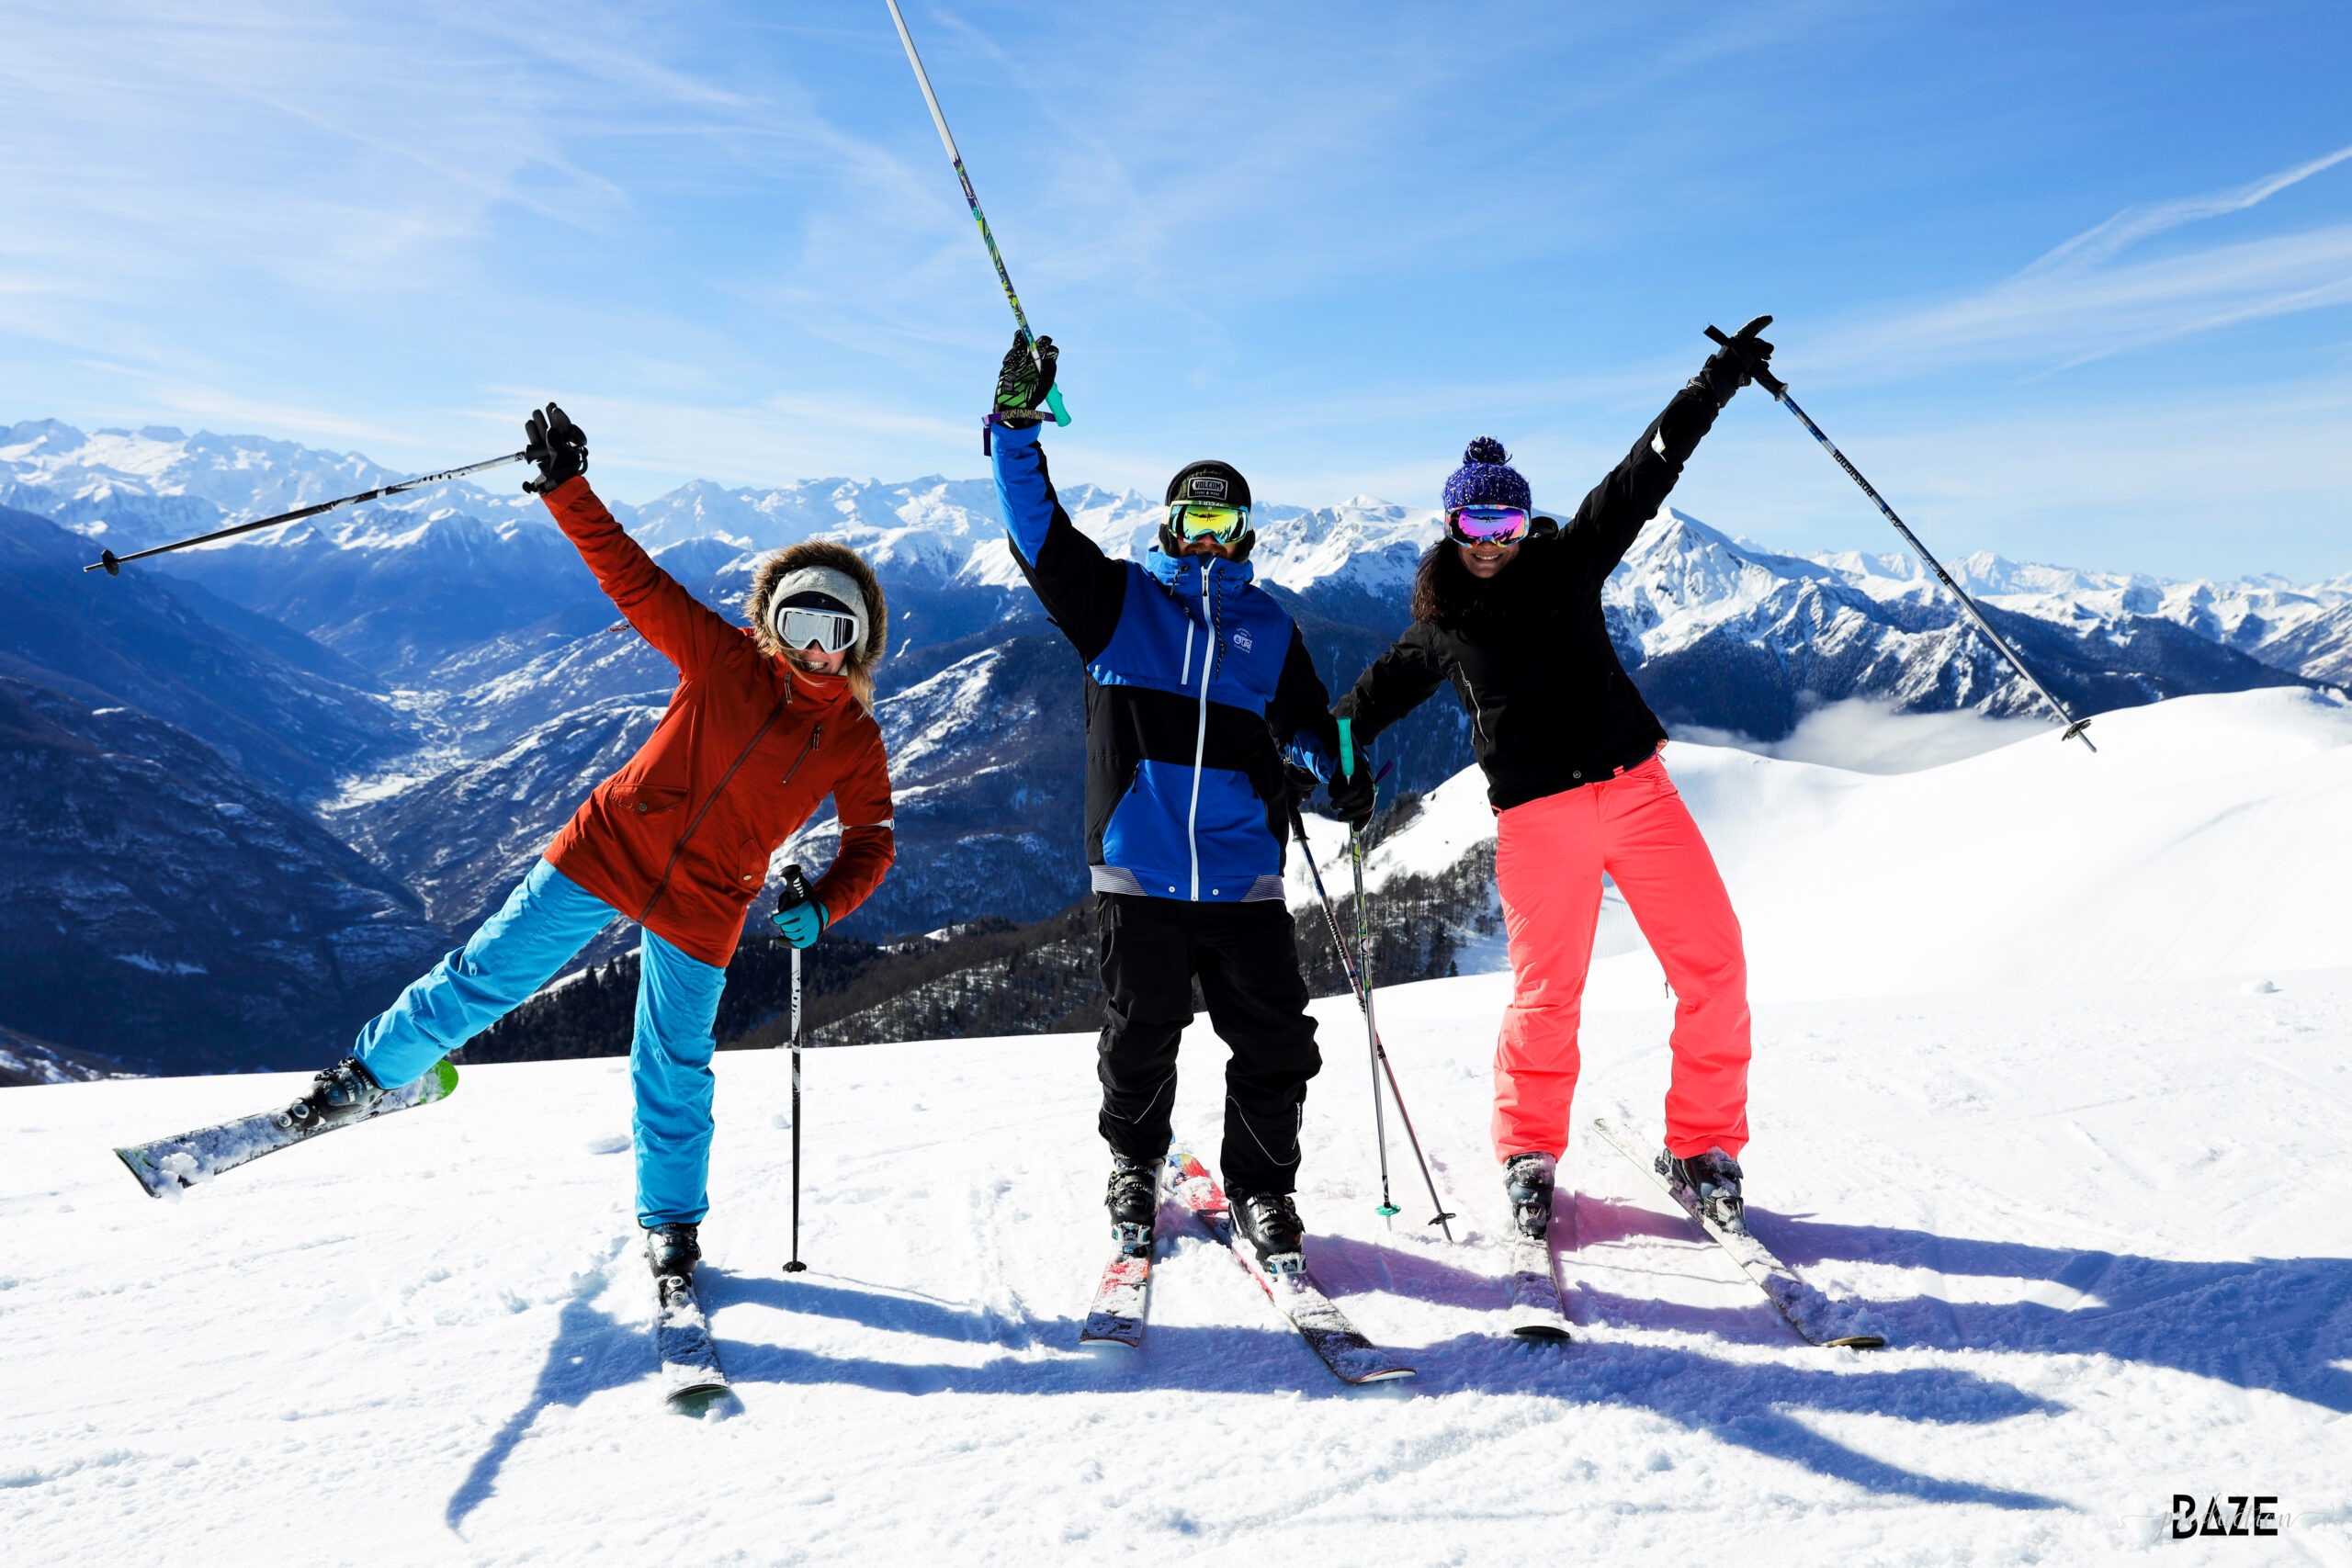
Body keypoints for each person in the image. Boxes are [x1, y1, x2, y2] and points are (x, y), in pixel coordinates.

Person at [286, 402, 896, 1282]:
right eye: (796, 625)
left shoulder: (852, 739)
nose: (813, 650)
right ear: (768, 625)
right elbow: (636, 582)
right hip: (609, 845)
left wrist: (827, 900)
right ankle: (370, 1072)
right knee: (487, 974)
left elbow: (873, 837)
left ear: (859, 642)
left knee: (674, 1066)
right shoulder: (723, 660)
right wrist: (567, 488)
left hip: (707, 898)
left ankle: (673, 1228)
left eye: (834, 633)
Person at [1334, 318, 1780, 1245]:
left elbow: (1643, 474)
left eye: (1501, 520)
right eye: (1471, 522)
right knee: (1547, 997)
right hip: (1538, 824)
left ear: (1521, 520)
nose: (1488, 539)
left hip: (1637, 793)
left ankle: (1703, 1148)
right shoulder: (1441, 625)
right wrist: (1316, 758)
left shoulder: (1572, 561)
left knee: (1714, 966)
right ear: (1449, 526)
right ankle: (1528, 1153)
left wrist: (1714, 382)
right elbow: (1362, 707)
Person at [984, 333, 1373, 1272]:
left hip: (1242, 876)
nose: (1207, 539)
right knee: (1140, 1038)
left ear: (1244, 533)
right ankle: (1132, 1164)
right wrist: (1012, 425)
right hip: (1141, 870)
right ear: (1167, 526)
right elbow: (1038, 531)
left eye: (1222, 524)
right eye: (1193, 522)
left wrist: (1340, 774)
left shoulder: (1268, 625)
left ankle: (1264, 1188)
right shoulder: (1116, 605)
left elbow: (1309, 727)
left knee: (1278, 1041)